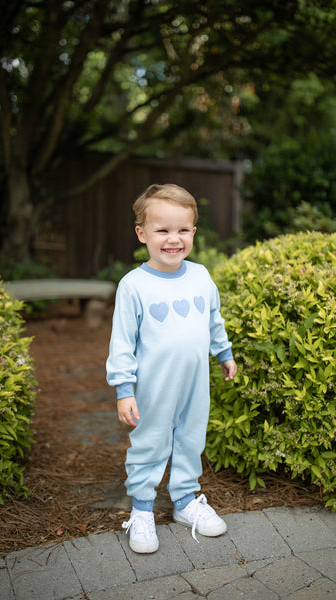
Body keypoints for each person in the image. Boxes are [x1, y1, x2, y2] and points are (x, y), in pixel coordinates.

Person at [106, 183, 237, 553]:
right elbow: (121, 344)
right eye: (162, 230)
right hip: (154, 387)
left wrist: (224, 354)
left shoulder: (201, 277)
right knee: (150, 443)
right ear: (142, 233)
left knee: (191, 439)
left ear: (194, 232)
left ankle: (185, 501)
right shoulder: (134, 286)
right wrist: (124, 390)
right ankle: (142, 511)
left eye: (182, 230)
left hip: (195, 384)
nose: (173, 239)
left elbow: (214, 321)